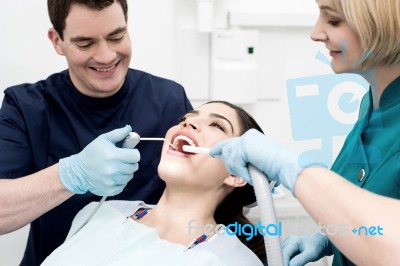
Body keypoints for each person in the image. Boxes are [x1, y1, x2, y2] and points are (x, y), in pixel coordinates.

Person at [0, 0, 192, 265]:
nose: (106, 56)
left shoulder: (169, 100)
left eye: (117, 36)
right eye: (85, 43)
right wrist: (70, 175)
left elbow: (204, 193)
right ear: (57, 41)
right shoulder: (26, 107)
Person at [209, 0, 400, 265]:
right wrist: (330, 239)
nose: (315, 33)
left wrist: (288, 166)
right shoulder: (371, 104)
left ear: (384, 23)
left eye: (333, 21)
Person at [41, 101, 265, 265]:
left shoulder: (233, 261)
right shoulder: (100, 211)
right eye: (185, 119)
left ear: (236, 173)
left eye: (217, 125)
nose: (190, 123)